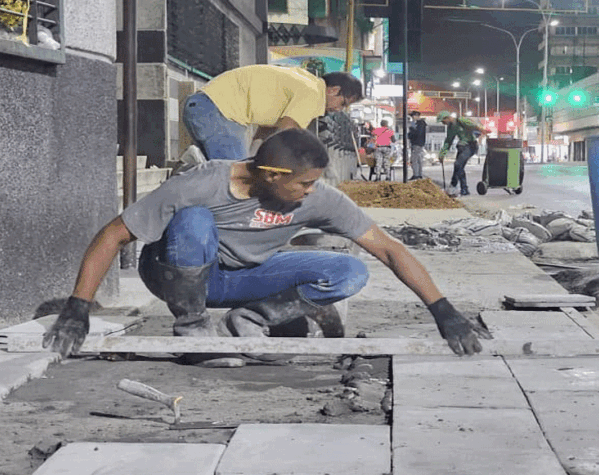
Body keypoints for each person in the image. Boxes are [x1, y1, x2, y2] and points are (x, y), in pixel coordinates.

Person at [42, 129, 490, 362]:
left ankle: (249, 319)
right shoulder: (202, 183)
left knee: (349, 271)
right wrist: (78, 308)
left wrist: (443, 311)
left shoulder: (318, 197)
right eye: (304, 184)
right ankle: (195, 333)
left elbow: (389, 249)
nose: (312, 192)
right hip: (178, 274)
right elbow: (113, 234)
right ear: (272, 175)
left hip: (245, 280)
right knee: (194, 221)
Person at [181, 64, 364, 162]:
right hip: (218, 112)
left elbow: (267, 130)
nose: (338, 109)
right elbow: (287, 130)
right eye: (343, 103)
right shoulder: (314, 94)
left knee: (233, 170)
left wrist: (254, 158)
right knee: (236, 178)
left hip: (205, 107)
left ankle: (192, 166)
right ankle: (191, 168)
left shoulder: (307, 83)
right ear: (333, 90)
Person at [436, 111, 488, 196]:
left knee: (458, 164)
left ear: (447, 118)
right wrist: (442, 154)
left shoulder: (461, 121)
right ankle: (462, 189)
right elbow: (448, 141)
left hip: (471, 146)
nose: (443, 123)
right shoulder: (451, 128)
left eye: (443, 121)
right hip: (462, 147)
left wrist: (482, 130)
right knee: (459, 167)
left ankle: (455, 186)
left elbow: (474, 125)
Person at [407, 111, 427, 180]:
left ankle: (416, 175)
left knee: (415, 160)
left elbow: (415, 134)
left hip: (416, 143)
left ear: (416, 116)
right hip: (419, 144)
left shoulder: (419, 124)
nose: (412, 118)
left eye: (412, 116)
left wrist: (410, 131)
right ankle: (419, 174)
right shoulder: (421, 124)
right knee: (419, 160)